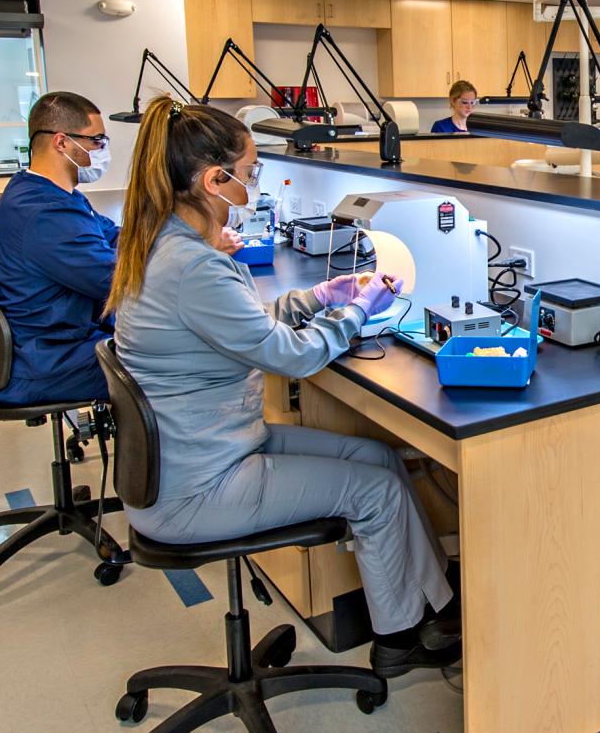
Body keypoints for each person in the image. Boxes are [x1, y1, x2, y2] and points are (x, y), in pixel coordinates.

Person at [109, 97, 460, 677]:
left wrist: (319, 297)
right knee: (376, 494)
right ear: (213, 180)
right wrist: (357, 313)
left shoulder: (166, 243)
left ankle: (438, 605)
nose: (253, 187)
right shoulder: (193, 264)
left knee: (379, 457)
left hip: (197, 453)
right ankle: (399, 639)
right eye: (249, 175)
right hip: (198, 487)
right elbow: (289, 357)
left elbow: (239, 320)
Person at [0, 92, 240, 408]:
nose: (102, 149)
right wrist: (201, 246)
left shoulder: (48, 195)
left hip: (52, 347)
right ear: (61, 143)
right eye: (97, 140)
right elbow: (122, 282)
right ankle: (176, 451)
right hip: (47, 363)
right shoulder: (43, 215)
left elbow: (117, 237)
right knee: (188, 359)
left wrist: (181, 233)